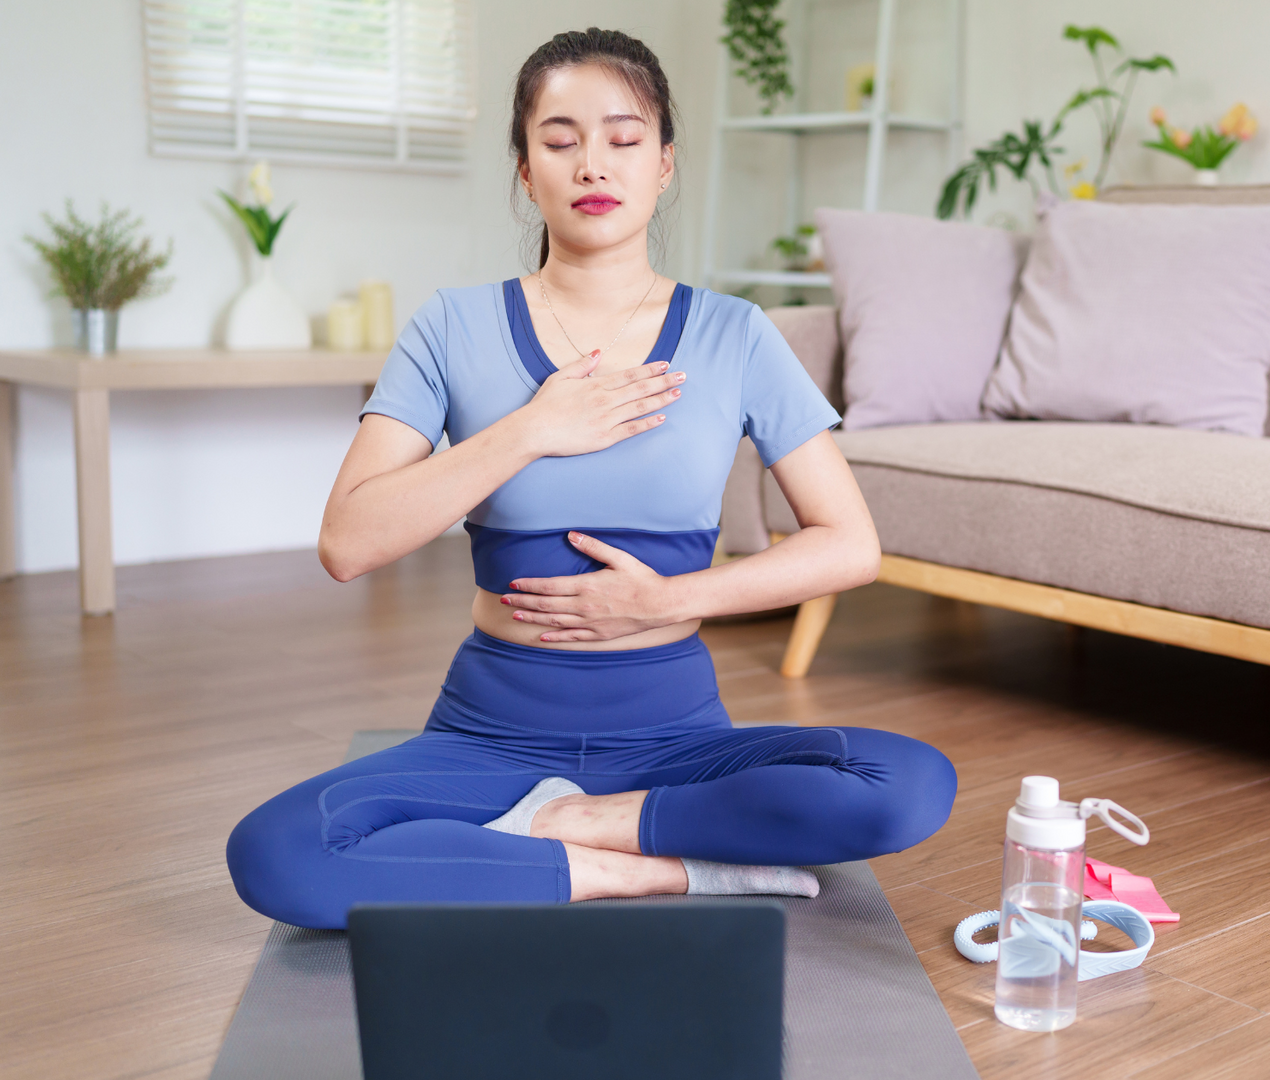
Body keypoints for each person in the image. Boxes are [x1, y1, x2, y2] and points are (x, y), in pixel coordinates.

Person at [225, 29, 957, 931]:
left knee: (911, 784)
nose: (592, 164)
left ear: (665, 165)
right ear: (526, 173)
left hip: (675, 738)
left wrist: (665, 601)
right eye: (560, 140)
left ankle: (585, 828)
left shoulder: (735, 333)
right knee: (277, 853)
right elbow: (349, 542)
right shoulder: (450, 327)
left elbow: (850, 544)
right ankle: (650, 872)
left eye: (624, 136)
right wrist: (534, 428)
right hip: (488, 732)